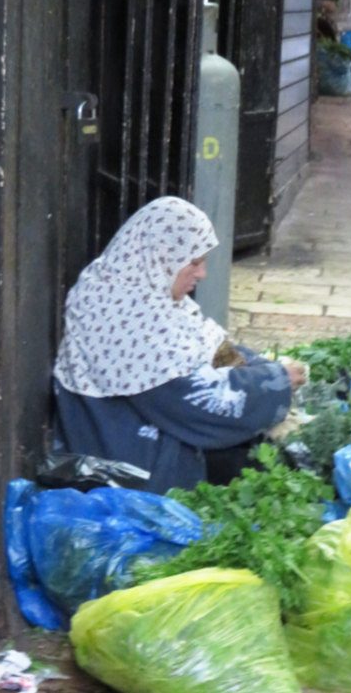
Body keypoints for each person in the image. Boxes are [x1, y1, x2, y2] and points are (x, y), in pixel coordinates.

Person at [51, 196, 306, 493]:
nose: (202, 274)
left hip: (151, 430)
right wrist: (275, 381)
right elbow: (198, 405)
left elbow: (204, 344)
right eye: (194, 262)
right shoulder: (127, 313)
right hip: (130, 464)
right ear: (161, 256)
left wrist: (256, 366)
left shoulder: (130, 284)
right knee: (260, 466)